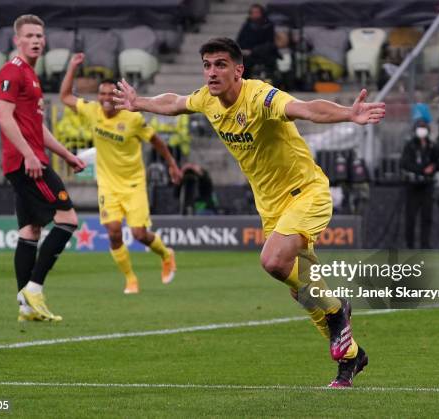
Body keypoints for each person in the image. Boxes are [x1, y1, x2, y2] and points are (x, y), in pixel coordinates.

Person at [113, 37, 386, 387]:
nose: (212, 72)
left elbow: (305, 108)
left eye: (221, 64)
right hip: (270, 207)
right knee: (303, 289)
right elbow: (175, 102)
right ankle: (351, 358)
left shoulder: (260, 97)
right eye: (207, 65)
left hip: (306, 194)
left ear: (239, 70)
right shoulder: (207, 100)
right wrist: (141, 103)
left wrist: (349, 114)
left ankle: (337, 312)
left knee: (273, 261)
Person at [60, 53, 181, 294]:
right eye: (102, 94)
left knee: (139, 234)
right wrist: (73, 67)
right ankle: (130, 279)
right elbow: (65, 96)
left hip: (134, 183)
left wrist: (172, 164)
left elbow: (156, 141)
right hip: (107, 185)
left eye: (110, 94)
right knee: (114, 232)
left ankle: (166, 253)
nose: (105, 99)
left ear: (118, 96)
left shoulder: (133, 118)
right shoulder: (92, 110)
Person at [0, 15, 86, 322]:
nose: (36, 40)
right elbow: (3, 118)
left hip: (29, 158)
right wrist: (30, 156)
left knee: (30, 230)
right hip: (27, 163)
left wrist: (67, 154)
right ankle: (34, 288)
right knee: (68, 219)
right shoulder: (12, 71)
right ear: (17, 40)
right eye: (30, 35)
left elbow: (38, 127)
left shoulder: (32, 77)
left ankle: (26, 308)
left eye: (40, 36)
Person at [401, 119, 436, 249]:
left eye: (424, 127)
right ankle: (410, 245)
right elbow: (405, 163)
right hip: (413, 186)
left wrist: (434, 167)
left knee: (427, 218)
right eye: (420, 128)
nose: (422, 130)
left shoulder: (431, 146)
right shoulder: (410, 145)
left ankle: (425, 245)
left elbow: (436, 161)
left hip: (427, 186)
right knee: (410, 218)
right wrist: (421, 169)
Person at [236, 4, 276, 79]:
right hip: (247, 53)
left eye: (257, 12)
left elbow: (270, 43)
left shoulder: (268, 25)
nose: (255, 14)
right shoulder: (247, 25)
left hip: (262, 53)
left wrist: (253, 51)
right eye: (253, 12)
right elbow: (239, 40)